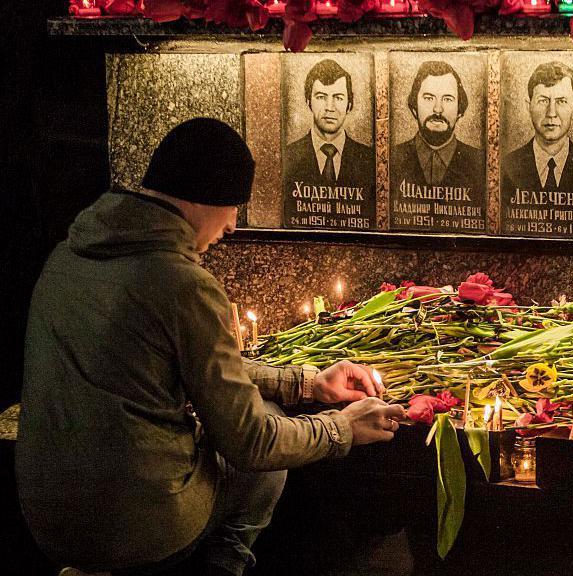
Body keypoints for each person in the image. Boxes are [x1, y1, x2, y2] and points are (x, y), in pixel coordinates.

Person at [16, 118, 405, 576]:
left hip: (47, 516)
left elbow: (186, 359)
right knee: (266, 446)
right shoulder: (182, 284)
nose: (233, 226)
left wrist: (306, 384)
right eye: (233, 206)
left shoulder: (68, 256)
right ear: (204, 199)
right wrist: (341, 427)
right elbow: (252, 442)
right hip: (136, 522)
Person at [283, 59, 375, 228]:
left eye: (338, 98)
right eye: (321, 97)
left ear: (349, 104)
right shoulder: (286, 156)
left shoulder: (371, 160)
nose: (330, 107)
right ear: (308, 102)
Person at [501, 61, 573, 196]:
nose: (551, 113)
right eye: (543, 101)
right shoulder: (507, 165)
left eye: (561, 101)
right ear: (528, 106)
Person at [390, 60, 484, 190]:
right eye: (429, 98)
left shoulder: (480, 163)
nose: (438, 109)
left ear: (459, 111)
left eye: (447, 99)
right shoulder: (391, 158)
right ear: (414, 108)